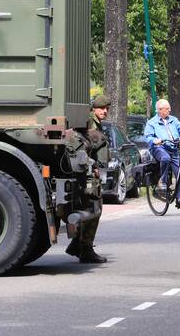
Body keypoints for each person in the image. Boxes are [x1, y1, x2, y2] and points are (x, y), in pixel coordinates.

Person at [66, 94, 110, 263]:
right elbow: (86, 145)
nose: (104, 111)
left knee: (91, 207)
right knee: (93, 207)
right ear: (94, 108)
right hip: (89, 173)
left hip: (91, 171)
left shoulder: (93, 122)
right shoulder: (90, 123)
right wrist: (95, 166)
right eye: (101, 108)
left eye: (107, 108)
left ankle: (79, 246)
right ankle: (85, 249)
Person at [144, 98, 180, 208]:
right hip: (159, 148)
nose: (170, 110)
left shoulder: (173, 120)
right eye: (167, 108)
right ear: (160, 110)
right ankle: (162, 182)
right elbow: (147, 137)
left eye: (169, 108)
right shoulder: (152, 123)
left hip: (173, 147)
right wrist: (154, 140)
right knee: (165, 158)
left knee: (179, 172)